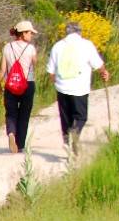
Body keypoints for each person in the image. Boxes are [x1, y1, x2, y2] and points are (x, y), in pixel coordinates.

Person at [46, 21, 110, 155]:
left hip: (62, 88)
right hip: (80, 88)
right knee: (80, 117)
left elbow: (50, 72)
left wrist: (57, 83)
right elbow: (98, 65)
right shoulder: (86, 45)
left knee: (66, 118)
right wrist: (104, 73)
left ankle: (67, 143)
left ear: (67, 32)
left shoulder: (57, 46)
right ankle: (74, 137)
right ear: (79, 32)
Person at [0, 21, 38, 154]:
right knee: (24, 114)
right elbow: (35, 64)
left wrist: (0, 83)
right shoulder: (31, 49)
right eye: (30, 33)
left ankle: (11, 134)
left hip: (10, 85)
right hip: (27, 84)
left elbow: (3, 69)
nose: (31, 35)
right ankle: (20, 144)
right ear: (23, 34)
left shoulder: (7, 47)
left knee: (11, 113)